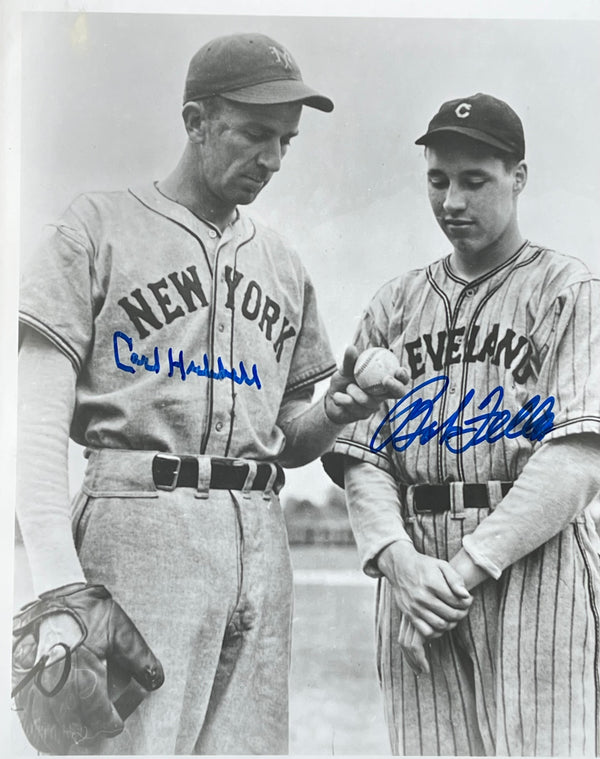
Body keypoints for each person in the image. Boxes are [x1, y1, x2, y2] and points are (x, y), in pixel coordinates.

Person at [15, 33, 406, 755]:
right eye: (255, 134)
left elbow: (286, 438)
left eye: (286, 141)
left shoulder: (283, 264)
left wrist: (340, 408)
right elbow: (34, 426)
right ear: (195, 121)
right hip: (139, 526)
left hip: (260, 530)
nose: (274, 160)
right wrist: (58, 591)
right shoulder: (95, 229)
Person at [323, 93, 600, 756]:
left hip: (535, 567)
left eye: (475, 180)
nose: (452, 200)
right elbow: (364, 460)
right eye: (438, 179)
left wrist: (459, 573)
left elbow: (575, 462)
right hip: (415, 567)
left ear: (518, 177)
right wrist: (403, 568)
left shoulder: (568, 289)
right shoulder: (395, 302)